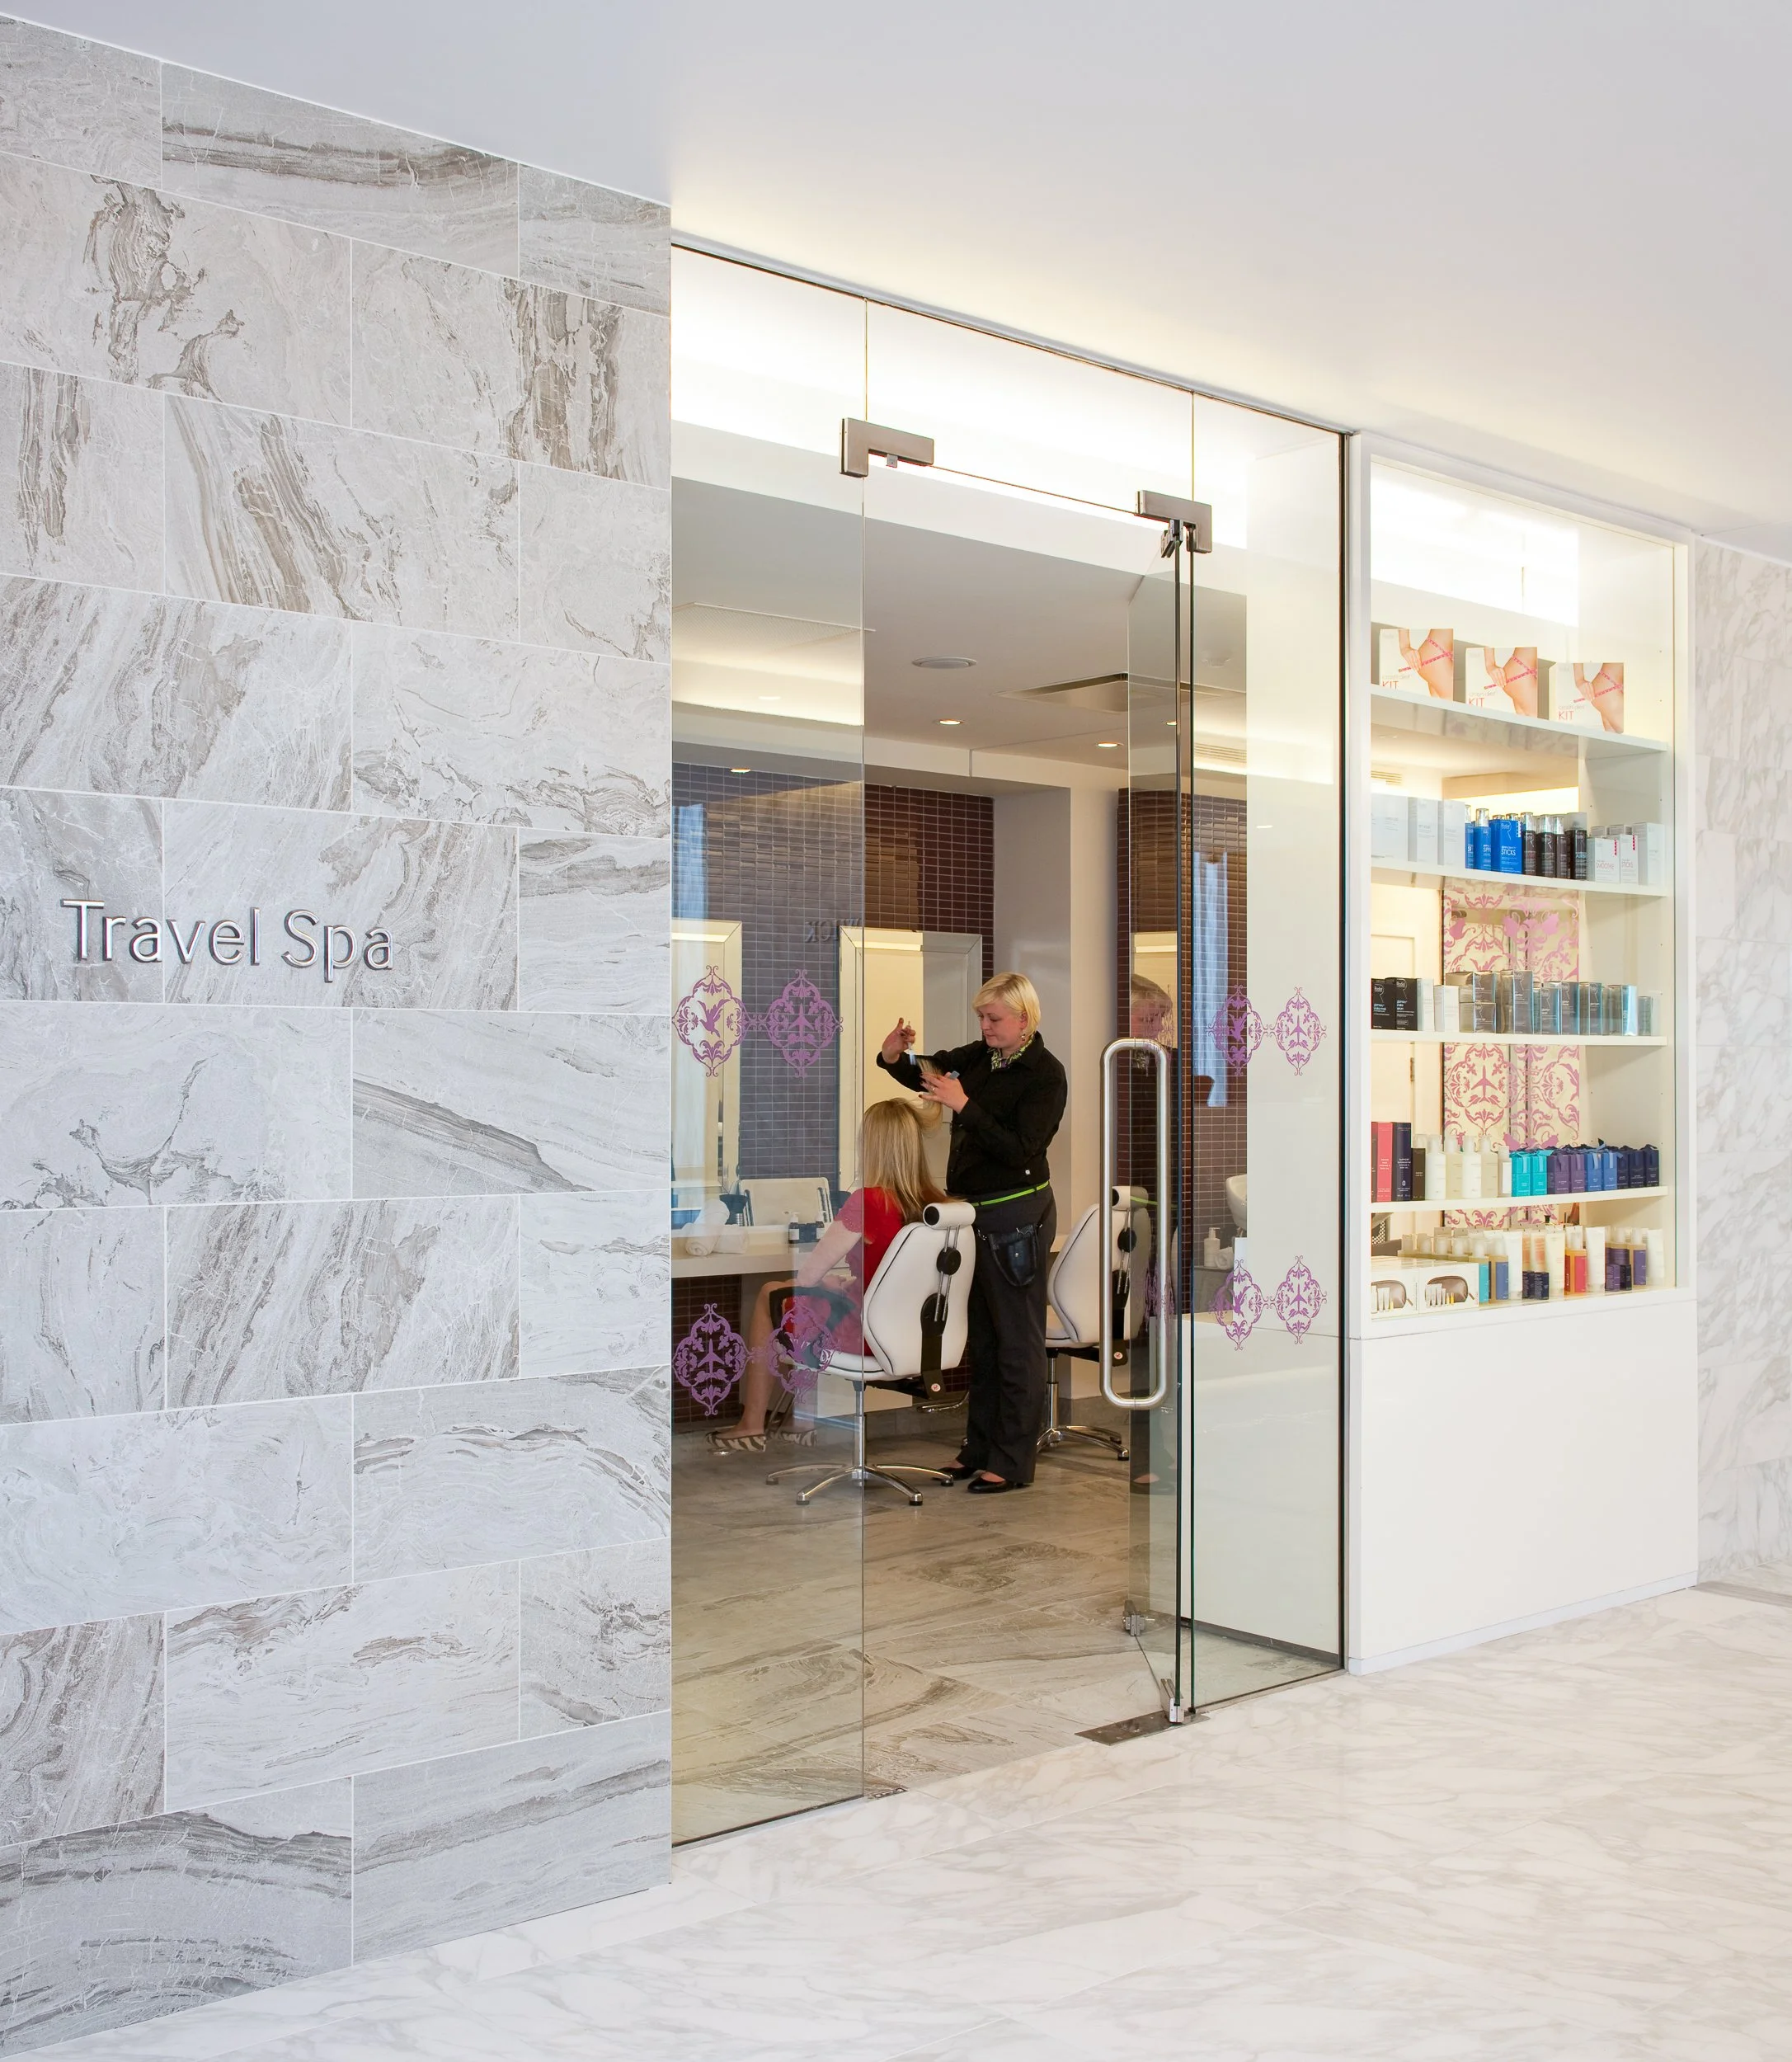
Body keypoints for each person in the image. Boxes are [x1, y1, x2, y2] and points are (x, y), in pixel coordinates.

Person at [877, 972, 1067, 1494]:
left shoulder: (1044, 1075)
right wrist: (897, 1059)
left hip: (1016, 1216)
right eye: (981, 1017)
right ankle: (978, 1447)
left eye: (994, 1019)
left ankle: (1011, 1458)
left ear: (1024, 1019)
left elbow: (1020, 1149)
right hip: (973, 1215)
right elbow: (932, 1074)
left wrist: (964, 1106)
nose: (984, 1027)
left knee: (1016, 1340)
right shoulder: (984, 1058)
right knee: (982, 1337)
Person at [711, 1098, 948, 1451]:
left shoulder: (866, 1202)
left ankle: (752, 1424)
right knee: (815, 1301)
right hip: (919, 1333)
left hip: (868, 1332)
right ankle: (799, 1421)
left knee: (773, 1293)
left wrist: (824, 1280)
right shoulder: (938, 1204)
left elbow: (806, 1276)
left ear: (873, 1147)